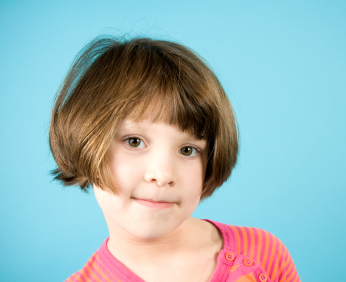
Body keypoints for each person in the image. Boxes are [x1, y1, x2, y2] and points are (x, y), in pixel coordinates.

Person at [50, 35, 300, 282]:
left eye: (188, 150)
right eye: (134, 141)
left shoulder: (264, 255)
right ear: (86, 141)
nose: (163, 174)